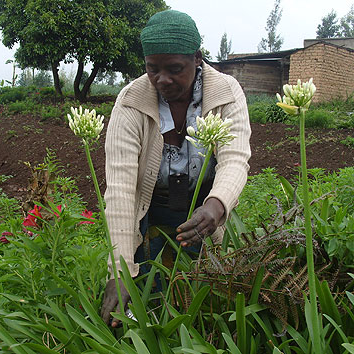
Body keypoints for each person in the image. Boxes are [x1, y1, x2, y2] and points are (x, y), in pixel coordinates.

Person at [101, 9, 251, 327]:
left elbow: (235, 158)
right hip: (150, 213)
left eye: (174, 69)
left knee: (205, 303)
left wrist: (217, 205)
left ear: (197, 58)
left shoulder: (226, 93)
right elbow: (121, 189)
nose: (162, 80)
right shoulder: (131, 102)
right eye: (152, 69)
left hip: (205, 216)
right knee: (149, 300)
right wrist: (120, 270)